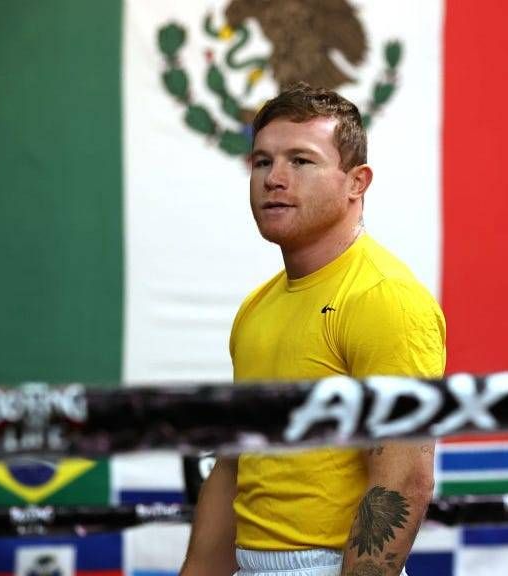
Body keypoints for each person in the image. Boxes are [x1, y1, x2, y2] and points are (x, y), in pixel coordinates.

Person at [180, 83, 446, 576]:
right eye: (262, 161)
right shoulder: (257, 307)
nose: (274, 179)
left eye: (301, 161)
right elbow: (235, 467)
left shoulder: (384, 296)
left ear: (356, 183)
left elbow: (404, 478)